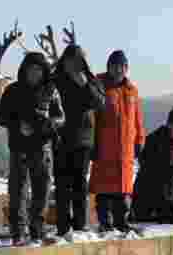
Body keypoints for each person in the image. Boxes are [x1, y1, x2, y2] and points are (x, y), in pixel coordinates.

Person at [0, 51, 64, 245]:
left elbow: (61, 118)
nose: (35, 74)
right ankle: (18, 232)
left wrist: (48, 122)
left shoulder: (51, 91)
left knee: (41, 190)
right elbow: (1, 116)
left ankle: (38, 230)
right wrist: (17, 124)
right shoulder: (12, 90)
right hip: (19, 147)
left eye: (38, 70)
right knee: (18, 191)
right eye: (31, 69)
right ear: (24, 70)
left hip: (42, 148)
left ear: (44, 72)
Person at [51, 44, 105, 236]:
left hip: (82, 139)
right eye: (70, 60)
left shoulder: (89, 79)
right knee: (62, 184)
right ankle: (63, 226)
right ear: (64, 61)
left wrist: (84, 85)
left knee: (80, 184)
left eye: (77, 60)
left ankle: (80, 225)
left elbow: (100, 103)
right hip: (60, 138)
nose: (73, 65)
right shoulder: (55, 79)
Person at [89, 50, 145, 234]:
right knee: (104, 189)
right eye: (115, 66)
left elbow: (138, 119)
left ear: (126, 68)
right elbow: (92, 118)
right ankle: (105, 223)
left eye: (122, 66)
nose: (119, 70)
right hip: (105, 147)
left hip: (126, 149)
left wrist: (140, 140)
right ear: (109, 67)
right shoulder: (99, 86)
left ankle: (122, 222)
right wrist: (92, 143)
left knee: (123, 189)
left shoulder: (132, 90)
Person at [131, 105, 173, 226]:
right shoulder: (154, 139)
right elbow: (145, 163)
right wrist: (169, 159)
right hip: (146, 191)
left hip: (168, 193)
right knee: (144, 228)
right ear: (168, 125)